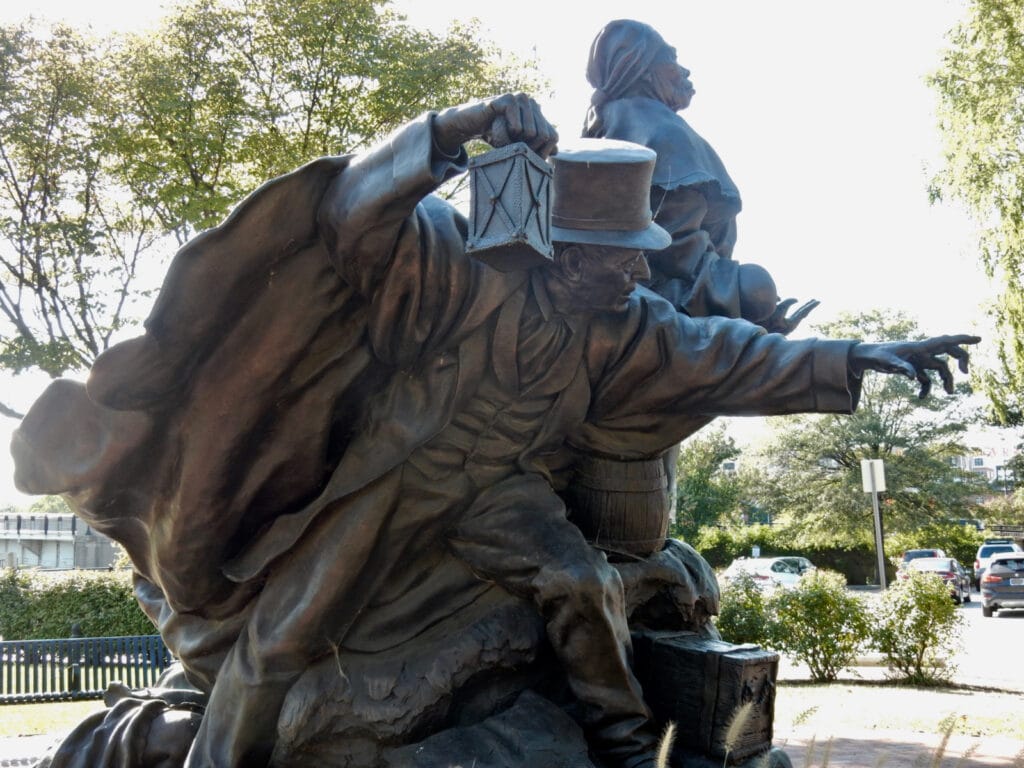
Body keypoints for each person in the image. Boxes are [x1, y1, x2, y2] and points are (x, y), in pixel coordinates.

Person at [12, 93, 977, 768]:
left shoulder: (629, 326)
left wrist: (866, 355)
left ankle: (626, 747)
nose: (639, 274)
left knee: (580, 581)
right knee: (282, 638)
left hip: (499, 496)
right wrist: (446, 132)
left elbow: (733, 355)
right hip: (387, 486)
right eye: (620, 258)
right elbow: (351, 215)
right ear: (566, 249)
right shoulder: (458, 270)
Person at [583, 19, 816, 333]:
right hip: (665, 288)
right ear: (642, 70)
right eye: (672, 59)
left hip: (638, 282)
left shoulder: (611, 123)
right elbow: (676, 250)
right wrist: (749, 309)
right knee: (757, 285)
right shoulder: (662, 130)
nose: (684, 71)